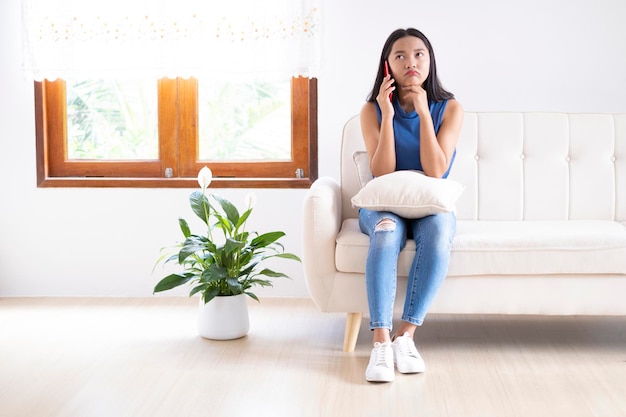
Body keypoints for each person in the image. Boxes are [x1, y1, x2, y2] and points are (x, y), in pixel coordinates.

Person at [359, 28, 464, 382]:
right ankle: (380, 343)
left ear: (430, 60)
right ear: (387, 65)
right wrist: (388, 116)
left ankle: (406, 335)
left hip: (429, 204)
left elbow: (436, 170)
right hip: (383, 203)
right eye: (400, 56)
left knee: (437, 234)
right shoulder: (371, 110)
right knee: (386, 233)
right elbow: (382, 172)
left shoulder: (449, 108)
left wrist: (421, 112)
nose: (411, 62)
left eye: (419, 54)